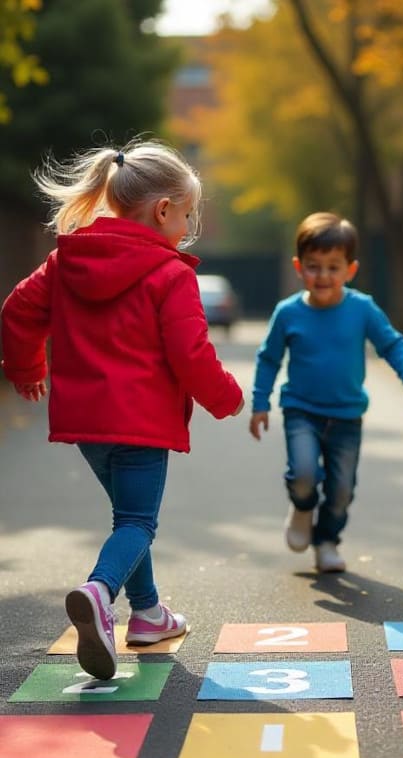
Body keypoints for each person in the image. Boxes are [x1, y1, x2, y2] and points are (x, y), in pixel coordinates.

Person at [1, 139, 244, 679]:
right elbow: (191, 353)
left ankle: (150, 614)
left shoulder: (66, 261)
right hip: (141, 422)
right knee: (137, 521)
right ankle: (99, 591)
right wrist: (226, 396)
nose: (186, 226)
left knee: (127, 520)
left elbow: (17, 310)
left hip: (87, 427)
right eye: (187, 215)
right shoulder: (171, 273)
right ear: (162, 210)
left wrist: (26, 370)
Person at [249, 211, 403, 573]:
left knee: (342, 489)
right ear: (299, 267)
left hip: (347, 416)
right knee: (302, 474)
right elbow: (268, 359)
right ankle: (301, 507)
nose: (323, 276)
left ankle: (327, 540)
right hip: (301, 410)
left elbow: (391, 344)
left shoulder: (362, 309)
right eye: (314, 266)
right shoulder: (288, 313)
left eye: (333, 267)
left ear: (351, 270)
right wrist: (260, 403)